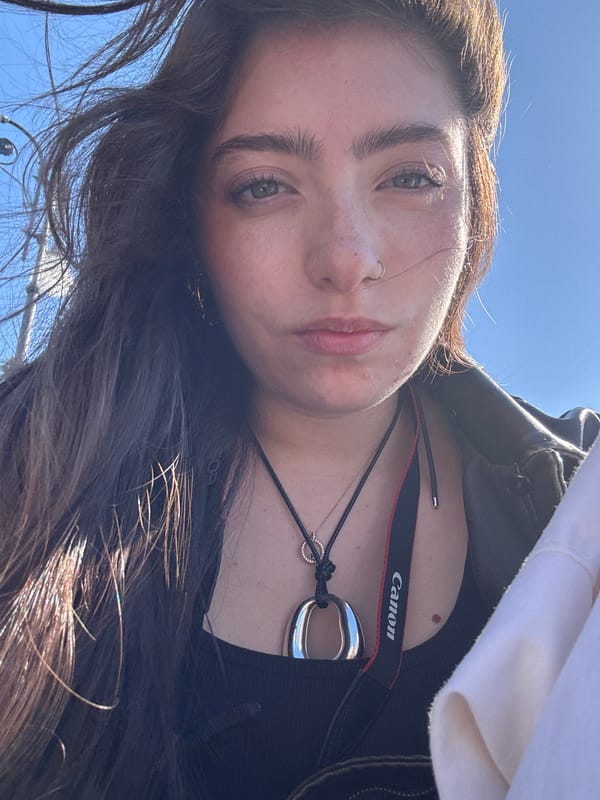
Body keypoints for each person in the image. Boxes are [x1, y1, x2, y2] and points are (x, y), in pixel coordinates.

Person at [0, 1, 597, 799]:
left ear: (475, 203)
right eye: (265, 186)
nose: (346, 259)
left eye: (410, 177)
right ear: (192, 217)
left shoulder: (576, 506)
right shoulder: (27, 470)